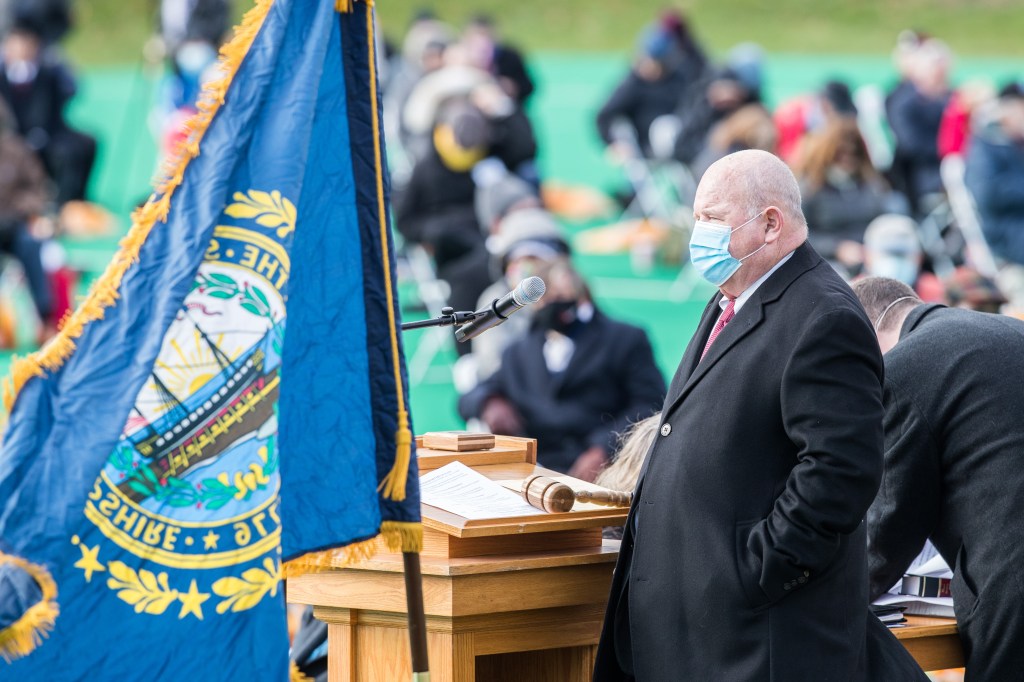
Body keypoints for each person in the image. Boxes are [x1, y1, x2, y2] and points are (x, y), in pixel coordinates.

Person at [593, 150, 927, 681]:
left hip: (755, 638)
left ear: (771, 223)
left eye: (713, 218)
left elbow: (840, 473)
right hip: (697, 630)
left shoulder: (824, 315)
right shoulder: (735, 296)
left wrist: (753, 573)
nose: (698, 231)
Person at [850, 276, 1024, 681]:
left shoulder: (904, 367)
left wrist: (829, 592)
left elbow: (889, 528)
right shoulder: (1009, 330)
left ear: (863, 334)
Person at [458, 260, 664, 480]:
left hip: (610, 466)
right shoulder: (520, 351)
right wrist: (490, 403)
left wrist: (603, 448)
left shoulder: (624, 339)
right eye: (543, 301)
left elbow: (650, 403)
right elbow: (471, 396)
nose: (551, 307)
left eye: (559, 298)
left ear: (581, 296)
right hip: (537, 469)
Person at [0, 22, 96, 205]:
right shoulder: (2, 74)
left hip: (49, 132)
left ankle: (70, 201)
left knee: (82, 144)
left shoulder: (49, 69)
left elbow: (71, 90)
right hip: (12, 137)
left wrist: (56, 63)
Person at [795, 119, 906, 271]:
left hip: (873, 257)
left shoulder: (872, 185)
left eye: (853, 154)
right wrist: (837, 248)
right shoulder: (809, 191)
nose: (847, 161)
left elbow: (887, 221)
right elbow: (800, 235)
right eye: (841, 155)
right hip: (829, 263)